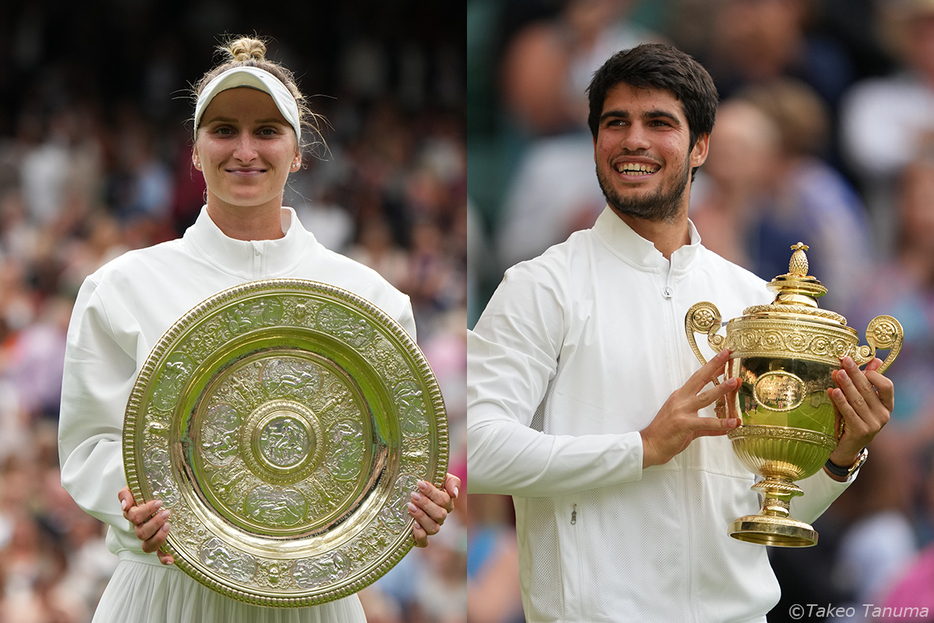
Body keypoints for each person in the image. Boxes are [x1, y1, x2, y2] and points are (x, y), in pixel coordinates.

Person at [466, 43, 894, 622]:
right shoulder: (541, 286)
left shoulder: (757, 301)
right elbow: (481, 451)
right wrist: (641, 448)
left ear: (700, 147)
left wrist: (843, 457)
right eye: (615, 123)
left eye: (658, 123)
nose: (633, 140)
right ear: (595, 142)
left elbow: (767, 501)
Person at [57, 36, 460, 623]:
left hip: (312, 601)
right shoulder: (120, 287)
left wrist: (416, 501)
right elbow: (88, 445)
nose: (244, 149)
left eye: (267, 131)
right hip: (165, 591)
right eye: (223, 130)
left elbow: (393, 453)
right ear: (194, 152)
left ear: (298, 152)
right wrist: (136, 501)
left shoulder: (371, 299)